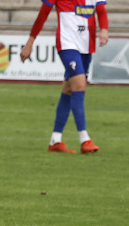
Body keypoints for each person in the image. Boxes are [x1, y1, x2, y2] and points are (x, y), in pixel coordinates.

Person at [22, 0, 108, 154]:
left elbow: (101, 11)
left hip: (87, 46)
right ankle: (84, 139)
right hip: (67, 44)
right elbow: (43, 15)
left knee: (69, 89)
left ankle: (55, 140)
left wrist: (104, 30)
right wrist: (30, 42)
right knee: (80, 85)